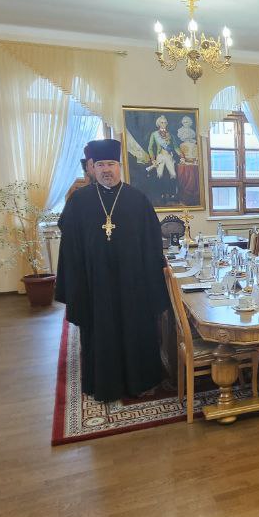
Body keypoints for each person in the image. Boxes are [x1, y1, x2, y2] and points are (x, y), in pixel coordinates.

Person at [56, 138, 170, 402]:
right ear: (92, 168)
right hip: (95, 285)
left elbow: (152, 243)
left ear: (119, 166)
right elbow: (69, 245)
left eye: (111, 164)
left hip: (133, 284)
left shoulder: (137, 200)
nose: (106, 169)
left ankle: (141, 381)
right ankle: (103, 384)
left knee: (136, 330)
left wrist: (151, 281)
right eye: (101, 165)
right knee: (100, 333)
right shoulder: (79, 201)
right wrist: (75, 285)